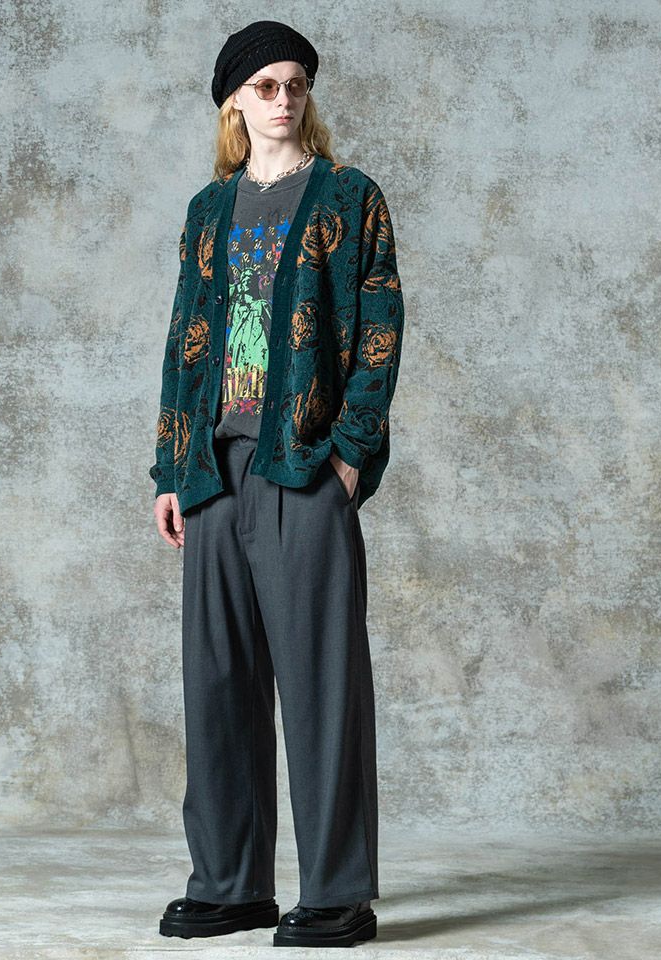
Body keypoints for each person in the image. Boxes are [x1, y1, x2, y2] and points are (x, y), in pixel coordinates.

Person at [150, 20, 404, 949]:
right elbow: (184, 342)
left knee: (321, 686)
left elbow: (380, 332)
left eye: (295, 83)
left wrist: (349, 457)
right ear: (234, 102)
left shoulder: (348, 197)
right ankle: (230, 884)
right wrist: (172, 467)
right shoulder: (208, 210)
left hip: (303, 469)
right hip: (214, 474)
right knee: (217, 686)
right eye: (264, 86)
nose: (283, 99)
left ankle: (336, 892)